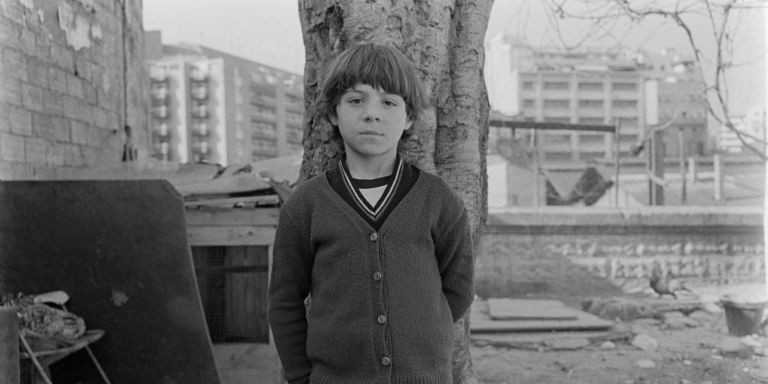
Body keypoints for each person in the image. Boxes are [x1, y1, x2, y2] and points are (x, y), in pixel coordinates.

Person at [267, 43, 474, 384]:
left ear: (408, 118)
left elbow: (459, 287)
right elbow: (284, 302)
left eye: (389, 102)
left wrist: (421, 334)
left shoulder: (438, 201)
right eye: (356, 100)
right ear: (334, 112)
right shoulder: (305, 206)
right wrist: (301, 377)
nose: (372, 113)